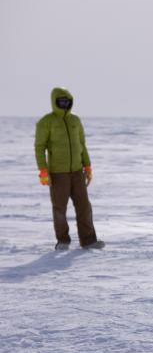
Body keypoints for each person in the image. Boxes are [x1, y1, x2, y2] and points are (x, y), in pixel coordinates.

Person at [35, 87, 105, 250]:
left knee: (84, 206)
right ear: (55, 102)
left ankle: (88, 241)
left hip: (77, 172)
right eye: (61, 101)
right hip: (57, 174)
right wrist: (43, 171)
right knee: (60, 208)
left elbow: (82, 145)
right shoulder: (46, 122)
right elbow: (39, 148)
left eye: (67, 101)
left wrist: (87, 166)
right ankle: (63, 240)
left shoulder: (75, 121)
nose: (65, 104)